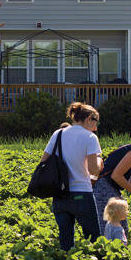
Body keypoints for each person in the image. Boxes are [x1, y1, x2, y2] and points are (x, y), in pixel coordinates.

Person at [41, 102, 103, 251]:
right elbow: (93, 170)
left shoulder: (58, 133)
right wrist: (100, 161)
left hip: (60, 194)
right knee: (94, 238)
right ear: (89, 119)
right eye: (96, 123)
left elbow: (44, 161)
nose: (96, 128)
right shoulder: (90, 137)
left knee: (65, 239)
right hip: (81, 193)